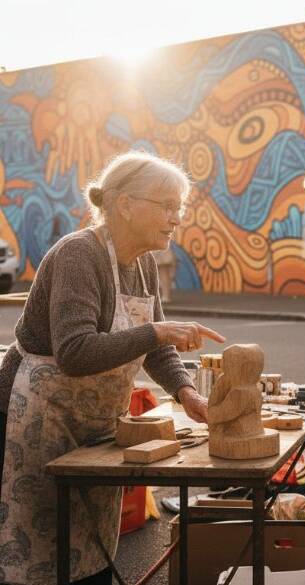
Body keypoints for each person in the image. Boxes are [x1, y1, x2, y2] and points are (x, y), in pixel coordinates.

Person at [0, 151, 225, 585]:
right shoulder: (77, 255)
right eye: (166, 205)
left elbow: (156, 350)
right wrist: (158, 331)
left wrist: (186, 394)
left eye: (178, 207)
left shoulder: (143, 265)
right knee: (29, 557)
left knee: (89, 550)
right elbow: (76, 352)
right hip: (32, 421)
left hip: (92, 426)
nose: (176, 217)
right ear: (124, 204)